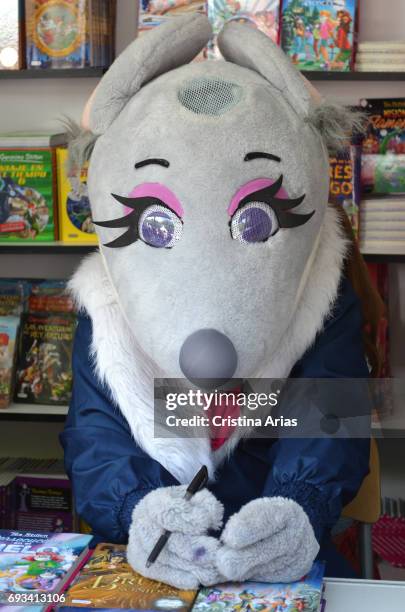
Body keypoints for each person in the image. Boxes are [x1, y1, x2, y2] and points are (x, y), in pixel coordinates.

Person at [61, 15, 383, 589]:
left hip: (276, 559)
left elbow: (329, 417)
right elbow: (95, 432)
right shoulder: (107, 300)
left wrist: (295, 508)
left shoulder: (319, 290)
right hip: (152, 557)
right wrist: (141, 510)